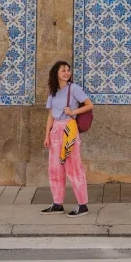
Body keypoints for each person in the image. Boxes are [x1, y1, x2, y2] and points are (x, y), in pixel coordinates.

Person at [40, 60, 94, 217]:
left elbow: (89, 105)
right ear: (56, 73)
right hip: (55, 130)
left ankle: (82, 205)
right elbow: (50, 115)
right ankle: (57, 203)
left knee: (73, 167)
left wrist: (73, 112)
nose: (66, 72)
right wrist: (47, 135)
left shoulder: (74, 88)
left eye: (68, 70)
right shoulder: (53, 92)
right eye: (63, 70)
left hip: (69, 129)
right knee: (55, 168)